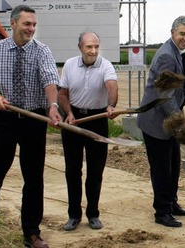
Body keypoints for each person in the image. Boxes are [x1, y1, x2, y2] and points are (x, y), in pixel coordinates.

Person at [0, 5, 60, 248]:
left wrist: (53, 106)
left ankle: (31, 233)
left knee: (34, 179)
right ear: (13, 24)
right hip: (6, 120)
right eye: (26, 24)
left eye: (33, 24)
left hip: (34, 120)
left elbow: (50, 79)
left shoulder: (42, 51)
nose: (31, 29)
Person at [137, 15, 185, 228]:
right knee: (162, 169)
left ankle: (171, 203)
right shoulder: (166, 56)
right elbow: (165, 95)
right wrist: (180, 123)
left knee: (173, 165)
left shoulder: (178, 52)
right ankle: (162, 212)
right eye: (182, 34)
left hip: (169, 119)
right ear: (172, 33)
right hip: (156, 122)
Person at [58, 32, 118, 231]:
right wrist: (68, 113)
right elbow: (63, 93)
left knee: (95, 171)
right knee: (72, 170)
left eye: (96, 47)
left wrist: (111, 106)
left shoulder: (106, 65)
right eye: (89, 47)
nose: (93, 51)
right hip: (73, 121)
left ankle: (93, 213)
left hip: (98, 120)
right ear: (80, 48)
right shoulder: (69, 65)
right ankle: (73, 215)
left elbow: (112, 87)